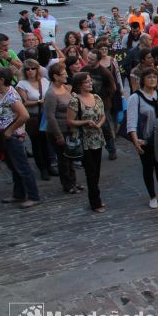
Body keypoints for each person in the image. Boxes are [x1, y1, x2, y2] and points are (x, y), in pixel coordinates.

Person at [0, 67, 39, 208]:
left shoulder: (11, 95)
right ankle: (18, 194)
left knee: (22, 167)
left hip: (12, 137)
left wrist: (9, 131)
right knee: (13, 167)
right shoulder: (0, 93)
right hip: (3, 137)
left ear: (1, 80)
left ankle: (33, 196)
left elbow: (24, 115)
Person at [128, 68, 158, 208]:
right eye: (149, 77)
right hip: (145, 139)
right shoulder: (135, 97)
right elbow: (131, 120)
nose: (152, 79)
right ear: (143, 80)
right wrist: (135, 140)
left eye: (154, 77)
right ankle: (152, 196)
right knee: (148, 167)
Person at [67, 72, 106, 213]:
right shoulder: (75, 100)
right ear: (79, 85)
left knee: (96, 170)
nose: (90, 83)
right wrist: (85, 122)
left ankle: (96, 196)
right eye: (87, 82)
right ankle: (95, 201)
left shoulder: (96, 97)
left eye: (90, 81)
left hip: (97, 138)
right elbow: (70, 120)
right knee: (90, 171)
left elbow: (103, 115)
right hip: (84, 140)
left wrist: (99, 124)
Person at [44, 63, 81, 194]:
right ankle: (68, 184)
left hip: (69, 128)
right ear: (55, 76)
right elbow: (50, 116)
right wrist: (58, 135)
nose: (66, 75)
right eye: (63, 73)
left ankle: (73, 181)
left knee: (70, 157)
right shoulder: (51, 94)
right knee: (63, 159)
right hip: (59, 130)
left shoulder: (64, 88)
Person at [16, 59, 52, 180]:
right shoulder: (22, 84)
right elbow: (24, 102)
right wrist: (38, 101)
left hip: (45, 115)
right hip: (33, 117)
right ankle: (42, 169)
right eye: (27, 69)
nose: (30, 71)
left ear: (37, 69)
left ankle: (49, 165)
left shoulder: (44, 81)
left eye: (33, 68)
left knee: (47, 142)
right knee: (37, 143)